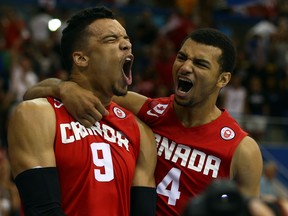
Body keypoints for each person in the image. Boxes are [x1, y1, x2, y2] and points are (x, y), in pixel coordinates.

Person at [24, 28, 263, 215]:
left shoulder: (242, 149)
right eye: (182, 57)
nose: (185, 67)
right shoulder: (149, 110)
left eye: (200, 64)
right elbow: (33, 93)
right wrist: (64, 88)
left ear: (223, 79)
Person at [8, 6, 157, 216]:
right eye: (111, 39)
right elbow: (42, 210)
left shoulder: (140, 131)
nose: (127, 44)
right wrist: (63, 87)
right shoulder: (37, 113)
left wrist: (62, 86)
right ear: (81, 59)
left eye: (126, 38)